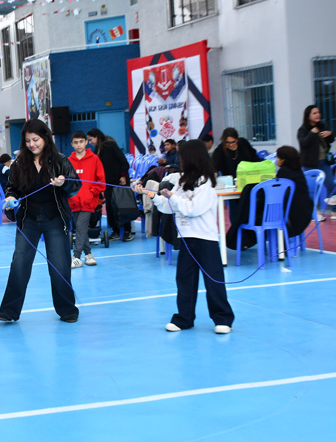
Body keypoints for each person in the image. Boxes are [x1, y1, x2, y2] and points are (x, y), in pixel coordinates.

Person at [134, 140, 235, 334]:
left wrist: (172, 196)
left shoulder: (206, 184)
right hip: (187, 239)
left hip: (205, 239)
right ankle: (184, 318)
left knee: (213, 281)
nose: (180, 160)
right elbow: (170, 207)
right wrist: (152, 195)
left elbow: (192, 209)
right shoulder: (182, 182)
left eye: (182, 156)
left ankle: (223, 318)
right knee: (185, 280)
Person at [0, 120, 80, 323]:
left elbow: (75, 185)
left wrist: (63, 183)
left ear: (45, 138)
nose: (32, 144)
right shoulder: (19, 164)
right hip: (29, 220)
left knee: (60, 266)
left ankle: (67, 310)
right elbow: (12, 188)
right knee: (19, 264)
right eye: (28, 141)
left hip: (55, 220)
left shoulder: (60, 160)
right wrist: (10, 198)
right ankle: (9, 311)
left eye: (36, 139)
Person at [226, 145, 313, 249]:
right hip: (304, 212)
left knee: (253, 211)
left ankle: (242, 240)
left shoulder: (284, 173)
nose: (276, 160)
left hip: (289, 217)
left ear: (283, 160)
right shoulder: (298, 172)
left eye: (278, 157)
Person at [68, 131, 106, 268]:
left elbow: (101, 181)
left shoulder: (94, 159)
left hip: (89, 201)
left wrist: (91, 193)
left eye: (81, 142)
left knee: (80, 226)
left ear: (86, 142)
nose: (78, 145)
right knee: (80, 228)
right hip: (73, 201)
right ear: (72, 144)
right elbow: (66, 181)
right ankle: (89, 254)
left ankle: (76, 257)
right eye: (76, 142)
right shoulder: (68, 161)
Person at [86, 128, 132, 241]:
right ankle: (116, 231)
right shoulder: (97, 150)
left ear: (97, 137)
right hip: (108, 182)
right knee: (110, 207)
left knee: (123, 206)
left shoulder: (110, 145)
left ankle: (128, 231)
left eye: (91, 140)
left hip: (120, 181)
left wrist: (123, 175)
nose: (90, 142)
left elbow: (123, 161)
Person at [297, 105, 335, 203]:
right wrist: (312, 133)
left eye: (318, 112)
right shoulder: (303, 129)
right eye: (314, 113)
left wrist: (330, 134)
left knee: (331, 185)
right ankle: (312, 209)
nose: (318, 115)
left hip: (324, 162)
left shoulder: (323, 126)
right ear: (308, 116)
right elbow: (303, 143)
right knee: (312, 188)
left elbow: (331, 141)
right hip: (310, 163)